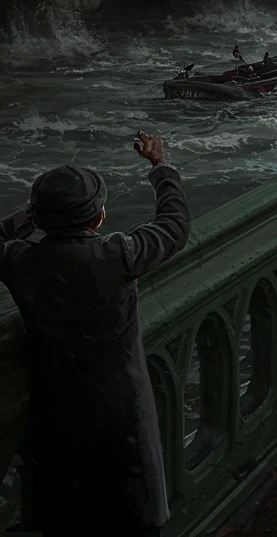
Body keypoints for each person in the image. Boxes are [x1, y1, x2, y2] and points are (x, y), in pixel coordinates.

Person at [0, 130, 191, 537]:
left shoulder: (21, 260)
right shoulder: (118, 253)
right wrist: (160, 165)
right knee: (135, 519)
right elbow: (174, 224)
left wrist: (30, 216)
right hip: (123, 414)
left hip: (56, 416)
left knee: (68, 518)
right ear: (99, 216)